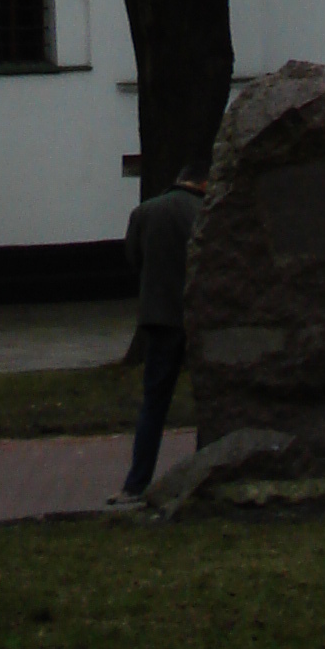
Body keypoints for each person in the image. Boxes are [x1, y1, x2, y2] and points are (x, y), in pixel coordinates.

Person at [108, 165, 210, 504]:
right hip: (199, 317)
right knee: (208, 401)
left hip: (159, 317)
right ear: (203, 182)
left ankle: (136, 483)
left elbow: (132, 258)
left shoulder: (145, 212)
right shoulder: (207, 212)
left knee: (153, 404)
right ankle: (205, 473)